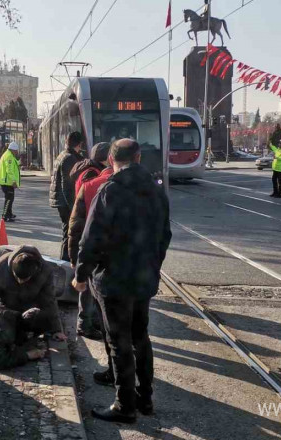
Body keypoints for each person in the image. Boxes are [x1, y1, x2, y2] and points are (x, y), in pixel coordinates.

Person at [73, 139, 172, 423]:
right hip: (144, 279)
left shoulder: (110, 191)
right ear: (138, 158)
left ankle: (124, 405)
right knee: (141, 336)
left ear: (111, 161)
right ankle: (146, 398)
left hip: (114, 280)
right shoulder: (156, 191)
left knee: (119, 342)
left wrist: (81, 274)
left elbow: (91, 238)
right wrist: (153, 265)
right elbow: (164, 236)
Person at [66, 142, 111, 340]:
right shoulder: (95, 177)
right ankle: (86, 322)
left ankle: (89, 322)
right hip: (93, 237)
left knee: (88, 283)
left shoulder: (86, 172)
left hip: (86, 237)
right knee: (90, 286)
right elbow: (78, 221)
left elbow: (75, 222)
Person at [0, 245, 65, 341]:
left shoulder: (45, 271)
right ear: (12, 267)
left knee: (42, 320)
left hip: (30, 310)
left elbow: (49, 300)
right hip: (7, 309)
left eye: (24, 279)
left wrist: (56, 329)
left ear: (35, 271)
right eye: (17, 278)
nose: (20, 282)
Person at [49, 131, 85, 261]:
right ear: (79, 144)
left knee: (67, 231)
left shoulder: (63, 155)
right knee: (69, 232)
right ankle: (65, 260)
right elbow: (67, 186)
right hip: (65, 202)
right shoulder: (70, 158)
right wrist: (74, 206)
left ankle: (64, 259)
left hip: (60, 201)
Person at [0, 142, 21, 222]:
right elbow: (9, 170)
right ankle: (5, 215)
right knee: (9, 198)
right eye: (16, 151)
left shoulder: (9, 155)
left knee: (10, 198)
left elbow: (13, 164)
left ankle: (9, 214)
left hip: (7, 181)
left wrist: (19, 162)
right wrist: (14, 181)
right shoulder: (9, 156)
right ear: (13, 150)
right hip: (6, 182)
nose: (17, 152)